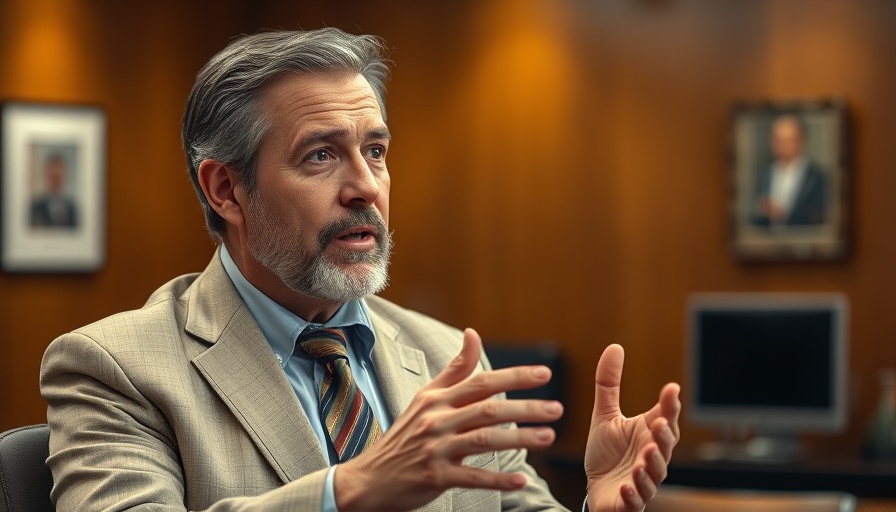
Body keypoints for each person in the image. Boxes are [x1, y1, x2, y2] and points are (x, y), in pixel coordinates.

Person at [40, 28, 680, 511]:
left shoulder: (449, 357)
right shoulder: (114, 367)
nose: (366, 187)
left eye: (375, 151)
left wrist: (596, 503)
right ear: (226, 191)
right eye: (321, 155)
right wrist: (352, 489)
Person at [752, 114, 827, 226]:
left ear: (801, 141)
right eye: (778, 140)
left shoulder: (817, 177)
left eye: (788, 140)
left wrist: (783, 214)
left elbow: (820, 217)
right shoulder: (765, 174)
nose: (782, 145)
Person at [29, 152, 78, 228]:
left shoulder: (73, 208)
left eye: (59, 177)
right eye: (53, 177)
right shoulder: (35, 208)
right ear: (47, 176)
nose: (56, 183)